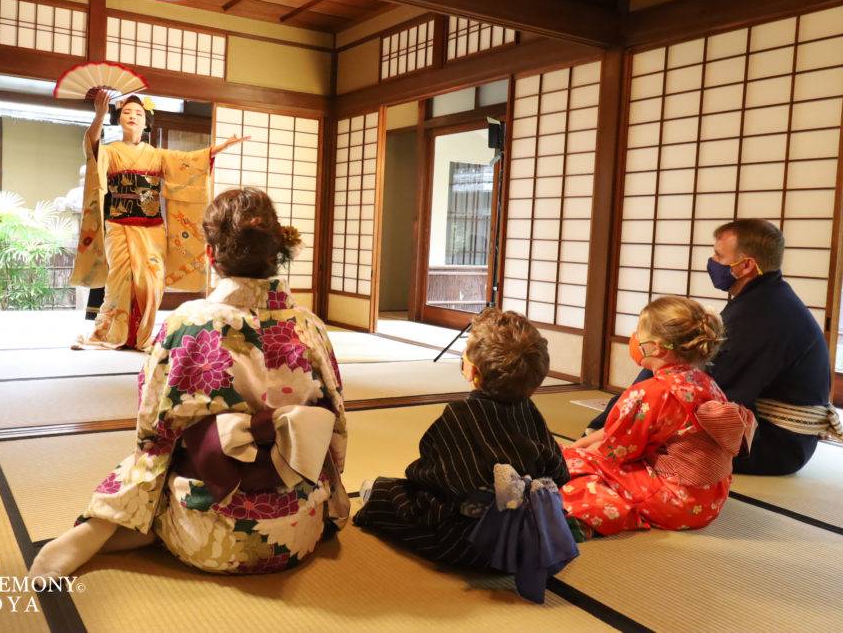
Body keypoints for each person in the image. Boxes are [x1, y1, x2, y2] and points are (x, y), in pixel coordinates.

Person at [30, 188, 348, 578]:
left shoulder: (186, 322)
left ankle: (101, 533)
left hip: (206, 533)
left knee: (149, 455)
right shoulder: (310, 326)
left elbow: (153, 432)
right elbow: (336, 426)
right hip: (300, 531)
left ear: (211, 255)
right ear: (277, 252)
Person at [353, 309, 577, 603]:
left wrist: (418, 477)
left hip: (470, 543)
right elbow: (559, 472)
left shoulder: (461, 414)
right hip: (528, 542)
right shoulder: (530, 411)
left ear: (472, 371)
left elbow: (436, 475)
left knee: (395, 494)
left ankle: (378, 495)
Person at [585, 219, 839, 475]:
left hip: (775, 444)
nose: (712, 261)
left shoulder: (763, 314)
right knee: (664, 369)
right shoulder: (764, 299)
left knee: (651, 415)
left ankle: (608, 431)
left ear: (747, 265)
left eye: (719, 255)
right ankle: (608, 427)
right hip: (767, 431)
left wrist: (621, 426)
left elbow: (707, 392)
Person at [564, 296, 756, 540]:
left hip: (676, 503)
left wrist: (576, 452)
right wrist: (590, 441)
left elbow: (617, 453)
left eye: (638, 334)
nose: (634, 339)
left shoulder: (650, 392)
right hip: (712, 499)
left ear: (656, 347)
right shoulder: (707, 384)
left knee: (572, 467)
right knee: (580, 455)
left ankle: (593, 517)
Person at [71, 90, 248, 350]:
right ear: (118, 119)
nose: (132, 116)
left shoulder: (158, 155)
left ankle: (141, 335)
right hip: (119, 225)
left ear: (146, 123)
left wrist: (216, 149)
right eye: (127, 113)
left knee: (152, 284)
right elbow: (92, 147)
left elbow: (189, 161)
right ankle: (109, 333)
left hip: (151, 226)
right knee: (120, 281)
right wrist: (98, 115)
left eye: (139, 114)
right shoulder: (111, 151)